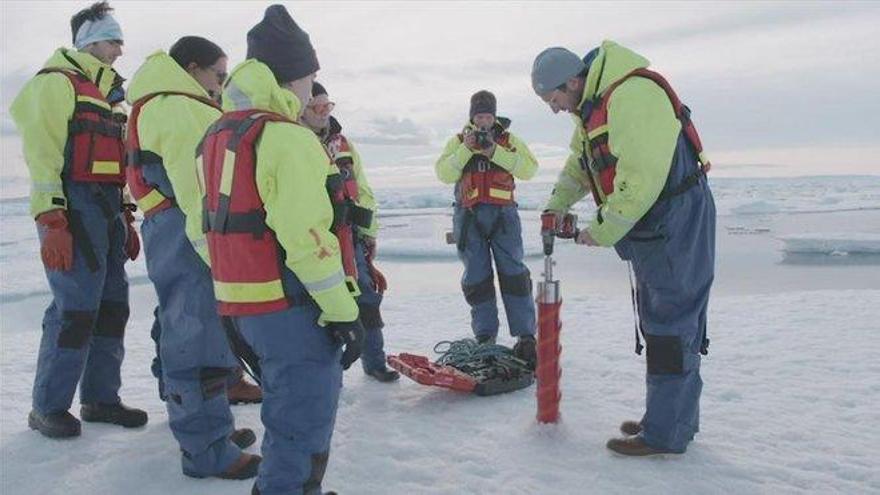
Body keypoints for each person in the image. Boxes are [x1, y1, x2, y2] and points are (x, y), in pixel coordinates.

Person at [198, 5, 363, 494]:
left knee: (285, 408)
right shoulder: (287, 139)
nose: (312, 91)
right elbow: (307, 239)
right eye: (310, 79)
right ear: (289, 78)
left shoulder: (216, 135)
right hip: (290, 310)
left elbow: (198, 225)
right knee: (301, 418)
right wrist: (342, 311)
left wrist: (237, 281)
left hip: (238, 308)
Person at [531, 40, 716, 455]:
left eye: (554, 97)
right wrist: (556, 205)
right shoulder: (594, 107)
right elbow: (583, 166)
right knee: (662, 321)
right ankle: (669, 420)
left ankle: (665, 435)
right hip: (655, 226)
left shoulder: (632, 95)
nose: (554, 107)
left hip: (673, 222)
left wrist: (600, 229)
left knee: (671, 325)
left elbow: (640, 180)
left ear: (573, 81)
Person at [9, 1, 146, 439]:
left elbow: (117, 161)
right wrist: (52, 219)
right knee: (75, 309)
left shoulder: (108, 94)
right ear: (89, 40)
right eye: (113, 40)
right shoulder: (55, 84)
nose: (121, 50)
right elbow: (42, 155)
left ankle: (100, 399)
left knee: (112, 306)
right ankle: (47, 406)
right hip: (72, 204)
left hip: (105, 207)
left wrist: (125, 213)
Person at [126, 36, 260, 479]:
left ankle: (202, 427)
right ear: (193, 68)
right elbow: (197, 189)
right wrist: (217, 251)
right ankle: (205, 449)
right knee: (195, 332)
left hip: (172, 228)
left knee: (188, 324)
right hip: (186, 231)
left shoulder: (166, 103)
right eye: (217, 76)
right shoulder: (178, 107)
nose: (220, 87)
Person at [301, 81, 400, 383]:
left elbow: (364, 188)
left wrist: (368, 230)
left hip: (351, 235)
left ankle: (375, 361)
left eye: (326, 107)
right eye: (316, 107)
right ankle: (327, 375)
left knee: (367, 296)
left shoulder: (344, 144)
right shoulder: (292, 140)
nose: (322, 113)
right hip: (314, 239)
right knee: (317, 305)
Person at [434, 90, 538, 367]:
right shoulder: (457, 142)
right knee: (477, 278)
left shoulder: (508, 141)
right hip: (469, 219)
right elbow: (444, 174)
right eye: (479, 116)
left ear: (494, 116)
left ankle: (526, 337)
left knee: (514, 274)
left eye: (488, 116)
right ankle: (485, 338)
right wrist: (466, 148)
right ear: (472, 117)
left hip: (504, 218)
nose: (483, 122)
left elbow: (529, 169)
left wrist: (495, 151)